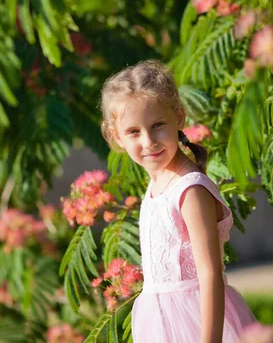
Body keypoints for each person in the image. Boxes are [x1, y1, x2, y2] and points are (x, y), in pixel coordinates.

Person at [100, 60, 256, 342]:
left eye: (158, 125)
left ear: (179, 117)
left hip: (195, 323)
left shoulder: (190, 190)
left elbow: (209, 275)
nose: (148, 141)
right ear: (117, 137)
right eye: (134, 131)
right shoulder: (157, 183)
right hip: (158, 323)